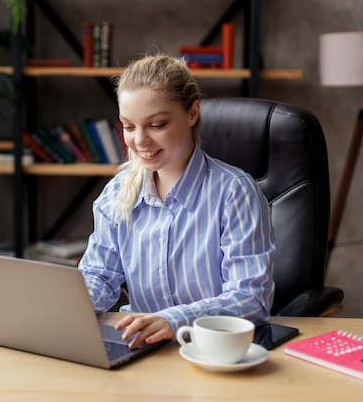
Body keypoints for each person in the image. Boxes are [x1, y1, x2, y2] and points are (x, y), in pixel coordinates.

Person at [78, 53, 276, 349]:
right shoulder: (118, 191)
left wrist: (174, 320)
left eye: (157, 125)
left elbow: (251, 298)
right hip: (139, 347)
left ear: (192, 113)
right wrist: (67, 305)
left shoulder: (234, 192)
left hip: (212, 350)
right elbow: (99, 275)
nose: (139, 141)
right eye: (128, 126)